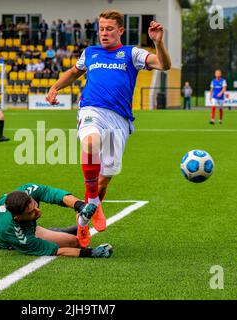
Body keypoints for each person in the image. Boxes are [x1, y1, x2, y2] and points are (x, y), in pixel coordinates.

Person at [46, 10, 171, 248]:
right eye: (101, 29)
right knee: (90, 142)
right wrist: (55, 87)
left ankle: (83, 222)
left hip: (120, 120)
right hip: (91, 109)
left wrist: (158, 43)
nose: (104, 33)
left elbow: (164, 64)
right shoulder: (90, 53)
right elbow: (74, 72)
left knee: (104, 180)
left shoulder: (131, 53)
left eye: (109, 29)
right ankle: (92, 200)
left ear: (120, 30)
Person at [0, 183, 113, 258]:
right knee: (75, 243)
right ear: (18, 217)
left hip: (28, 227)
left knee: (62, 234)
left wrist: (79, 205)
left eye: (34, 204)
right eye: (31, 212)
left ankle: (54, 231)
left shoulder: (26, 191)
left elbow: (54, 194)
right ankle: (55, 232)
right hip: (16, 239)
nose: (37, 210)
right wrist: (91, 253)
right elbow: (57, 251)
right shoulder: (14, 232)